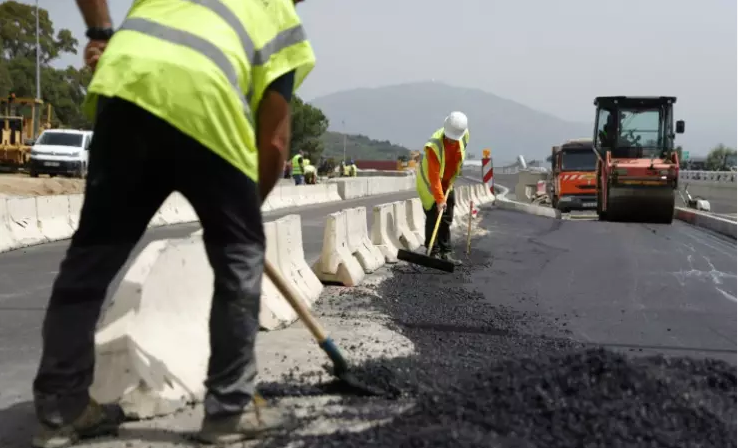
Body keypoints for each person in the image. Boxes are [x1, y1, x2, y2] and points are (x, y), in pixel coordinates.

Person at [31, 1, 316, 447]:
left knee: (89, 264)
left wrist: (100, 30)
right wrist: (243, 224)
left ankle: (59, 413)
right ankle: (226, 413)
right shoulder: (276, 15)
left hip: (125, 97)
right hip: (209, 111)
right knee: (239, 267)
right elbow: (275, 143)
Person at [415, 111, 469, 266]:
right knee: (433, 216)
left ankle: (445, 252)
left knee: (447, 217)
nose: (452, 142)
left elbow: (459, 154)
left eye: (454, 140)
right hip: (429, 185)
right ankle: (432, 252)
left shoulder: (464, 135)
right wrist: (439, 200)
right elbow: (434, 177)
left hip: (447, 182)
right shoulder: (434, 146)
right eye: (450, 139)